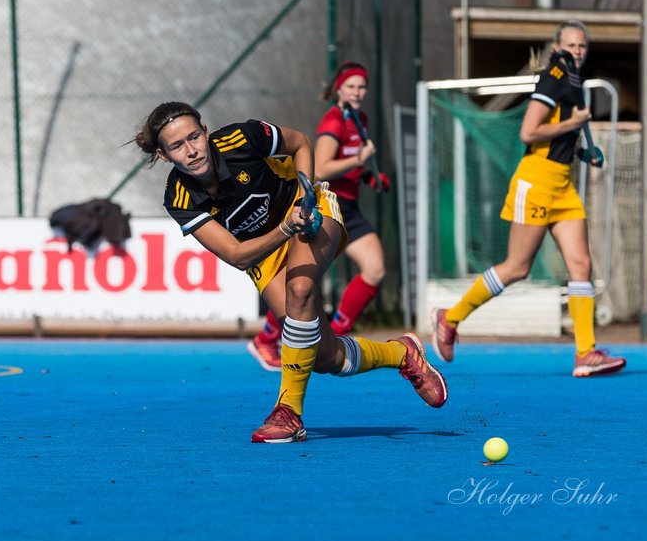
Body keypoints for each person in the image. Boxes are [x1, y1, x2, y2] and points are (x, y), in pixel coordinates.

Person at [134, 100, 447, 443]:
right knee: (326, 357)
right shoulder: (179, 197)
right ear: (164, 156)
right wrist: (284, 229)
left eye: (194, 137)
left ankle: (288, 413)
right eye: (177, 146)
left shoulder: (242, 137)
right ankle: (403, 353)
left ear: (206, 132)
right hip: (263, 250)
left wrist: (304, 196)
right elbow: (237, 255)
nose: (192, 150)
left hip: (309, 214)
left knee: (299, 289)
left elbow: (300, 143)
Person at [431, 19, 625, 378]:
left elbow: (559, 137)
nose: (577, 52)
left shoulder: (572, 80)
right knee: (517, 267)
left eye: (582, 46)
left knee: (581, 265)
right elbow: (529, 131)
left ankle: (585, 353)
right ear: (557, 47)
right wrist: (573, 123)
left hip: (562, 183)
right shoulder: (553, 76)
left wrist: (583, 153)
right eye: (571, 45)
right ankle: (450, 317)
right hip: (535, 181)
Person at [247, 61, 391, 370]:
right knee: (302, 280)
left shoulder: (359, 119)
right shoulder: (334, 122)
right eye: (351, 86)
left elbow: (350, 165)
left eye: (362, 86)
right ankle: (266, 339)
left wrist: (368, 178)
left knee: (375, 270)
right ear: (338, 88)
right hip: (329, 206)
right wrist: (358, 160)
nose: (358, 92)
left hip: (351, 208)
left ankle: (337, 334)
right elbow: (323, 167)